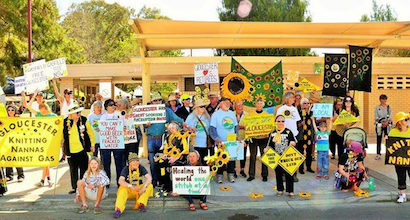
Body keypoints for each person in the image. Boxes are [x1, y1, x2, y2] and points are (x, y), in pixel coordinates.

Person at [145, 93, 184, 187]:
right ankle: (154, 181)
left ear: (161, 101)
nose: (157, 102)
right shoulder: (147, 111)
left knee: (162, 161)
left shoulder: (167, 111)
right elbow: (142, 124)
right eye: (155, 100)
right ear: (151, 102)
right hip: (151, 138)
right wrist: (146, 124)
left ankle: (162, 181)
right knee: (152, 161)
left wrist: (186, 124)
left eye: (159, 100)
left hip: (163, 139)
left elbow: (176, 119)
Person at [22, 91, 55, 187]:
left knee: (45, 161)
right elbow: (26, 106)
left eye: (43, 110)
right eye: (40, 110)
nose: (42, 112)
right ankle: (47, 180)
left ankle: (43, 180)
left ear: (46, 108)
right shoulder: (39, 115)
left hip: (49, 140)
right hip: (41, 140)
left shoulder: (52, 116)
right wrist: (25, 96)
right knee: (44, 161)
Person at [64, 103, 95, 194]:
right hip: (70, 151)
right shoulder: (65, 122)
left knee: (84, 169)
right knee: (73, 170)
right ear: (71, 114)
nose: (79, 114)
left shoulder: (84, 120)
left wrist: (92, 145)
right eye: (77, 113)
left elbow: (91, 133)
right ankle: (74, 187)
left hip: (82, 149)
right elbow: (61, 135)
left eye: (80, 112)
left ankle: (83, 186)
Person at [114, 153, 153, 218]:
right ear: (129, 163)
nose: (136, 163)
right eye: (133, 161)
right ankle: (118, 210)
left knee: (150, 186)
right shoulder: (126, 169)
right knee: (122, 190)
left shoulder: (141, 167)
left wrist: (144, 187)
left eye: (137, 161)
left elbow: (149, 178)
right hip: (129, 190)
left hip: (139, 190)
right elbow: (120, 181)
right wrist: (131, 186)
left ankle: (141, 204)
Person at [266, 115, 297, 198]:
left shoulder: (288, 132)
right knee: (278, 174)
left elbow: (294, 142)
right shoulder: (272, 133)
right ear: (276, 122)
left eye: (282, 121)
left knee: (289, 174)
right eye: (278, 121)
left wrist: (292, 143)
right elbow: (269, 145)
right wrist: (266, 149)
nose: (280, 123)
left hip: (287, 157)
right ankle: (280, 189)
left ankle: (290, 191)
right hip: (277, 157)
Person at [210, 97, 239, 184]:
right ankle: (220, 176)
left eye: (229, 103)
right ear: (220, 104)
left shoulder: (232, 113)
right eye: (225, 102)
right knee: (220, 159)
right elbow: (212, 128)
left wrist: (237, 136)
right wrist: (216, 138)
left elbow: (236, 126)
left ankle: (231, 174)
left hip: (231, 141)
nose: (227, 104)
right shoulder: (216, 114)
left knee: (231, 159)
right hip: (220, 142)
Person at [100, 99, 126, 187]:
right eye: (111, 105)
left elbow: (124, 126)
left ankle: (120, 182)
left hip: (117, 143)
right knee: (106, 163)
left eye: (114, 105)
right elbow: (100, 128)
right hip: (106, 143)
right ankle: (107, 182)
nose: (113, 106)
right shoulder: (102, 116)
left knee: (119, 163)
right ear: (106, 107)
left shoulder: (119, 115)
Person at [276, 92, 301, 181]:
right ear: (287, 98)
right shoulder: (280, 109)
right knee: (283, 155)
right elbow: (278, 122)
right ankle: (283, 174)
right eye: (292, 98)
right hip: (284, 135)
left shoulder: (294, 109)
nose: (294, 100)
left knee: (293, 156)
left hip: (293, 135)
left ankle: (293, 174)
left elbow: (297, 121)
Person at [388, 112, 410, 203]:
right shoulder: (393, 132)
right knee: (401, 176)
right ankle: (403, 195)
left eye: (408, 119)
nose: (408, 121)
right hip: (399, 159)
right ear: (399, 122)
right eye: (406, 119)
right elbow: (390, 146)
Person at [247, 99, 269, 182]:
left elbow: (269, 126)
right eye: (258, 103)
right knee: (252, 157)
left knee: (264, 157)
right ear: (255, 105)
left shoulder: (266, 115)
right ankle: (251, 175)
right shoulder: (251, 115)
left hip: (263, 139)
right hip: (254, 139)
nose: (259, 105)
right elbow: (248, 126)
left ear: (263, 105)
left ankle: (265, 175)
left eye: (261, 104)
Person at [186, 99, 210, 165]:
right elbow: (185, 127)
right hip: (195, 143)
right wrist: (190, 128)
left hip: (205, 144)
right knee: (195, 162)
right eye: (201, 106)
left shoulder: (207, 117)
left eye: (204, 106)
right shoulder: (191, 116)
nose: (203, 108)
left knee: (204, 161)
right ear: (196, 108)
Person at [5, 105, 24, 182]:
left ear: (15, 110)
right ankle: (9, 175)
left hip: (16, 141)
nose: (10, 111)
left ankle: (20, 175)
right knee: (8, 158)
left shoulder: (18, 119)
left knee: (17, 158)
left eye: (12, 110)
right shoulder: (4, 120)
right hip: (7, 142)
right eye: (9, 110)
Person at [296, 98, 315, 174]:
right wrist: (301, 124)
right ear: (301, 104)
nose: (306, 105)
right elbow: (295, 124)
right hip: (301, 135)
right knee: (300, 152)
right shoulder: (298, 112)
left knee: (309, 152)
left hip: (309, 135)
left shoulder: (312, 113)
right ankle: (301, 169)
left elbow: (315, 123)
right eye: (304, 103)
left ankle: (309, 167)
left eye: (308, 103)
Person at [374, 94, 392, 160]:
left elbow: (390, 116)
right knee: (379, 139)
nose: (383, 101)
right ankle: (378, 154)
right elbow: (376, 116)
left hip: (387, 125)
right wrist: (380, 121)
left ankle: (388, 153)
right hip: (379, 125)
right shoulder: (377, 107)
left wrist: (386, 122)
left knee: (388, 139)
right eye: (382, 99)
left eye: (384, 99)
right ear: (380, 100)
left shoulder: (388, 107)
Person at [235, 100, 248, 178]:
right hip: (233, 137)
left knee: (243, 154)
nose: (239, 107)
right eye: (238, 105)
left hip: (244, 137)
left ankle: (242, 170)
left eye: (241, 105)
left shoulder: (247, 114)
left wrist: (242, 127)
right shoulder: (231, 114)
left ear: (243, 106)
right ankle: (234, 170)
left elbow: (249, 126)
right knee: (234, 154)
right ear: (235, 106)